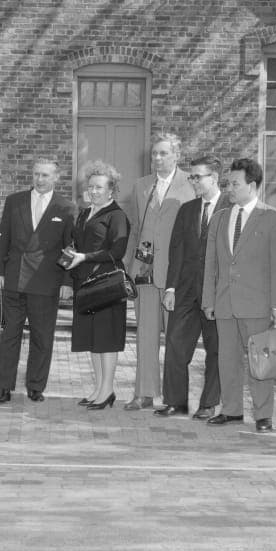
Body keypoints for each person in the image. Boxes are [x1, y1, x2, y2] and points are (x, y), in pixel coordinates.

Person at [201, 157, 276, 432]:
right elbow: (211, 264)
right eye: (228, 183)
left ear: (252, 185)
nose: (229, 189)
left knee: (259, 360)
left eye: (235, 184)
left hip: (258, 304)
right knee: (227, 359)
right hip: (225, 303)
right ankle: (231, 411)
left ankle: (263, 415)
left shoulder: (272, 218)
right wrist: (208, 300)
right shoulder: (219, 219)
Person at [0, 159, 75, 402]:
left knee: (42, 337)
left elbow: (70, 247)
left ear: (56, 177)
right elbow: (3, 237)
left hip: (46, 281)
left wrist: (67, 282)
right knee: (10, 335)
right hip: (14, 279)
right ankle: (4, 387)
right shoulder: (14, 201)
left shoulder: (66, 207)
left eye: (45, 175)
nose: (39, 179)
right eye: (36, 174)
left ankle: (36, 386)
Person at [155, 154, 231, 419]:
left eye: (198, 177)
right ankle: (175, 402)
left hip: (217, 293)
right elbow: (176, 251)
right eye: (192, 177)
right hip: (185, 290)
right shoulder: (186, 210)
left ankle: (209, 404)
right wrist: (170, 288)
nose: (194, 181)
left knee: (215, 349)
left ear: (215, 177)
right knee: (175, 344)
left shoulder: (231, 208)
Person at [121, 134, 194, 410]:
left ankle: (175, 398)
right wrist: (128, 267)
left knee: (176, 340)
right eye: (154, 154)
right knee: (145, 335)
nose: (157, 158)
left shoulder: (191, 183)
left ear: (177, 155)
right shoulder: (141, 186)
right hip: (145, 271)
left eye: (163, 153)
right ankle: (145, 393)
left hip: (177, 273)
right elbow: (135, 228)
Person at [64, 161, 130, 411]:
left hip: (106, 284)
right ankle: (99, 388)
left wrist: (85, 257)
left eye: (99, 187)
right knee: (92, 338)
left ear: (111, 189)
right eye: (90, 186)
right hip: (85, 282)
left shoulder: (117, 216)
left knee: (106, 338)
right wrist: (70, 257)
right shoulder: (84, 213)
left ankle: (108, 390)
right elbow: (77, 243)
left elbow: (117, 251)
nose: (93, 191)